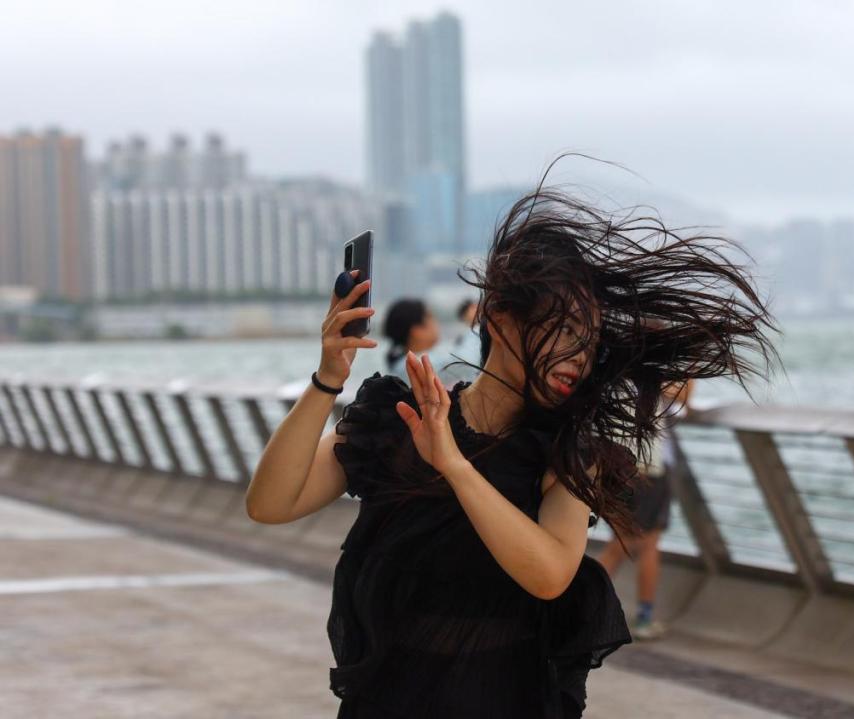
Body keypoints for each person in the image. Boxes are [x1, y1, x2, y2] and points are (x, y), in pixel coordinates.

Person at [245, 156, 781, 718]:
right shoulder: (398, 419)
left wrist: (454, 466)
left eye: (589, 340)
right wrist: (328, 378)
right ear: (501, 318)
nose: (578, 357)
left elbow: (550, 574)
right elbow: (270, 504)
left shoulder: (568, 451)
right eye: (565, 330)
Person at [597, 379, 695, 641]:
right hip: (646, 467)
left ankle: (576, 607)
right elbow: (685, 401)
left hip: (615, 464)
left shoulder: (618, 367)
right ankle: (641, 617)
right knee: (640, 544)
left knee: (620, 543)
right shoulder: (657, 366)